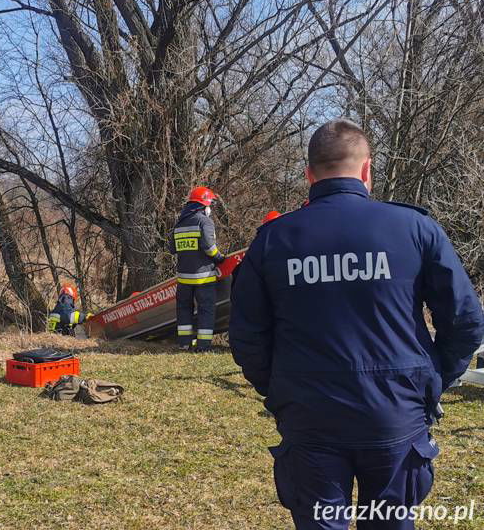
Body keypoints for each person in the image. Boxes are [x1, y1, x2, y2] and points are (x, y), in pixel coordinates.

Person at [229, 119, 484, 530]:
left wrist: (281, 387)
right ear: (368, 171)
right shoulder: (415, 228)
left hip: (309, 413)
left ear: (309, 174)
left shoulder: (273, 240)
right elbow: (466, 322)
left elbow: (246, 335)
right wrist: (432, 380)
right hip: (395, 413)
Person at [169, 186, 226, 352]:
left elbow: (172, 249)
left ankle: (184, 344)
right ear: (204, 205)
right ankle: (203, 346)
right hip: (203, 277)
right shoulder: (204, 221)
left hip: (183, 279)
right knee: (205, 311)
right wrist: (220, 258)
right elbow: (210, 248)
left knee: (184, 310)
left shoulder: (179, 223)